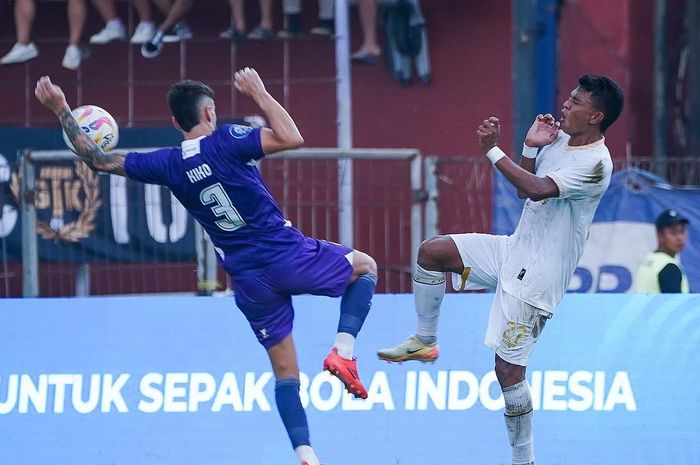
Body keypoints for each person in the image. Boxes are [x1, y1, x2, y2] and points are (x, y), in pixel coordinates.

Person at [35, 68, 377, 465]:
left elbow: (96, 159)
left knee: (286, 371)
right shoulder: (227, 140)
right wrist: (260, 93)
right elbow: (291, 137)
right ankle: (343, 351)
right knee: (364, 266)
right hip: (284, 253)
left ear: (175, 123)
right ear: (210, 112)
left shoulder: (167, 164)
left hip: (247, 279)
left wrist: (61, 108)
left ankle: (306, 454)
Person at [377, 75, 624, 465]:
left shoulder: (597, 163)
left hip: (539, 278)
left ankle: (523, 460)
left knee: (508, 371)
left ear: (596, 115)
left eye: (575, 101)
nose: (565, 104)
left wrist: (492, 151)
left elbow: (541, 188)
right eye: (569, 97)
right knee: (433, 252)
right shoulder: (560, 141)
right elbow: (525, 190)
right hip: (514, 250)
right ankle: (425, 340)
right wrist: (529, 146)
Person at [636, 209, 690, 293]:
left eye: (682, 231)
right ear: (660, 235)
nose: (680, 238)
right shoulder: (669, 267)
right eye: (673, 232)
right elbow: (674, 305)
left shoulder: (649, 259)